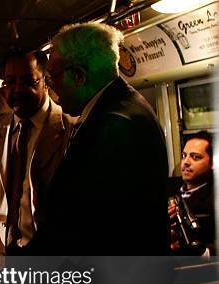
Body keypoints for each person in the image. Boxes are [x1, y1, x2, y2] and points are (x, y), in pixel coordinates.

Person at [36, 22, 168, 255]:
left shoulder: (112, 126)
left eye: (52, 76)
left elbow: (78, 223)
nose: (51, 87)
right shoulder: (127, 107)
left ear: (78, 75)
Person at [0, 49, 74, 257]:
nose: (17, 90)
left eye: (29, 82)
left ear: (46, 81)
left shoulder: (72, 130)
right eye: (10, 82)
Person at [168, 131, 214, 255]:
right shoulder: (168, 190)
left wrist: (202, 252)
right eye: (184, 155)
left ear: (213, 163)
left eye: (195, 157)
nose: (186, 162)